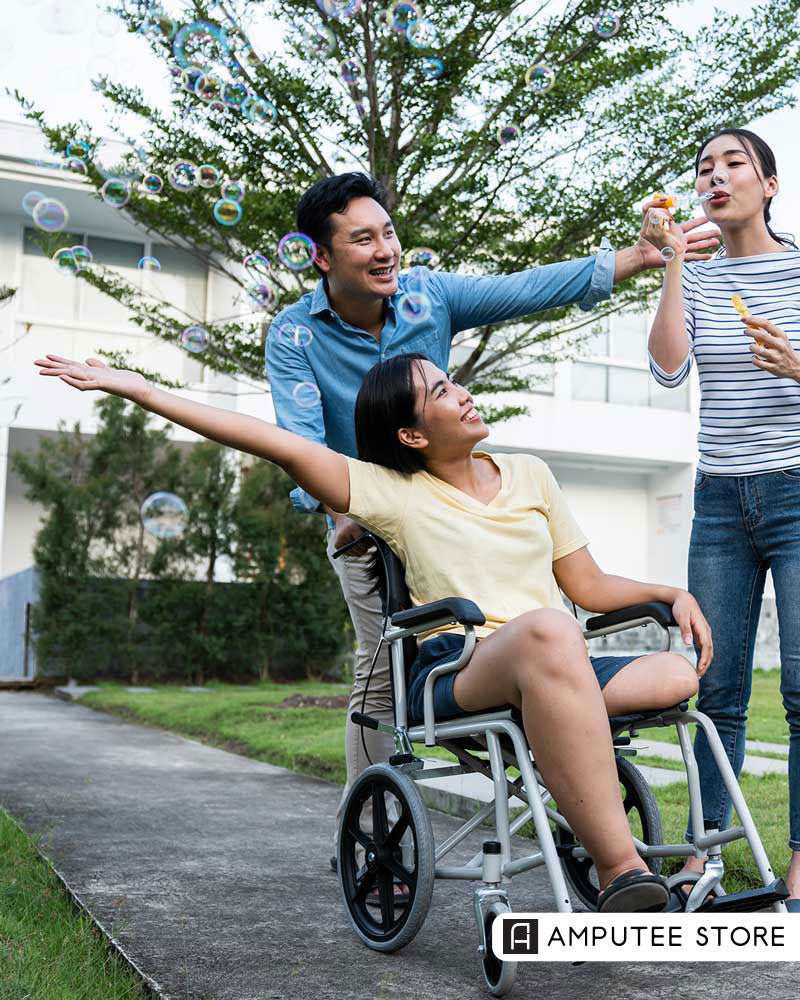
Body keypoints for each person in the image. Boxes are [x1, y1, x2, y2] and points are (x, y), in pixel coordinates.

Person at [34, 349, 713, 912]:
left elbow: (588, 588)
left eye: (452, 382)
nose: (464, 393)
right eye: (443, 392)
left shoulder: (531, 475)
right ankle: (620, 867)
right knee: (547, 633)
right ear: (414, 436)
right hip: (462, 666)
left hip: (555, 658)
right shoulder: (391, 492)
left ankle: (558, 724)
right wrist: (142, 389)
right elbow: (272, 442)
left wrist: (668, 592)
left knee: (675, 674)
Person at [264, 172, 720, 854]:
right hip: (364, 518)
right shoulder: (295, 334)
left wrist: (635, 258)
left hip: (454, 500)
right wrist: (341, 515)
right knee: (379, 676)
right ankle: (369, 833)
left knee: (555, 646)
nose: (385, 249)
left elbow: (528, 288)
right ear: (322, 257)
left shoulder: (428, 296)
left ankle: (564, 766)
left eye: (388, 231)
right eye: (363, 239)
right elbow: (299, 442)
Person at [644, 127, 800, 910]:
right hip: (720, 501)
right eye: (703, 165)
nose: (716, 174)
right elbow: (670, 367)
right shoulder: (697, 277)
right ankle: (704, 853)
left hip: (799, 493)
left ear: (769, 184)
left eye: (734, 162)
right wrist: (675, 260)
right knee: (715, 687)